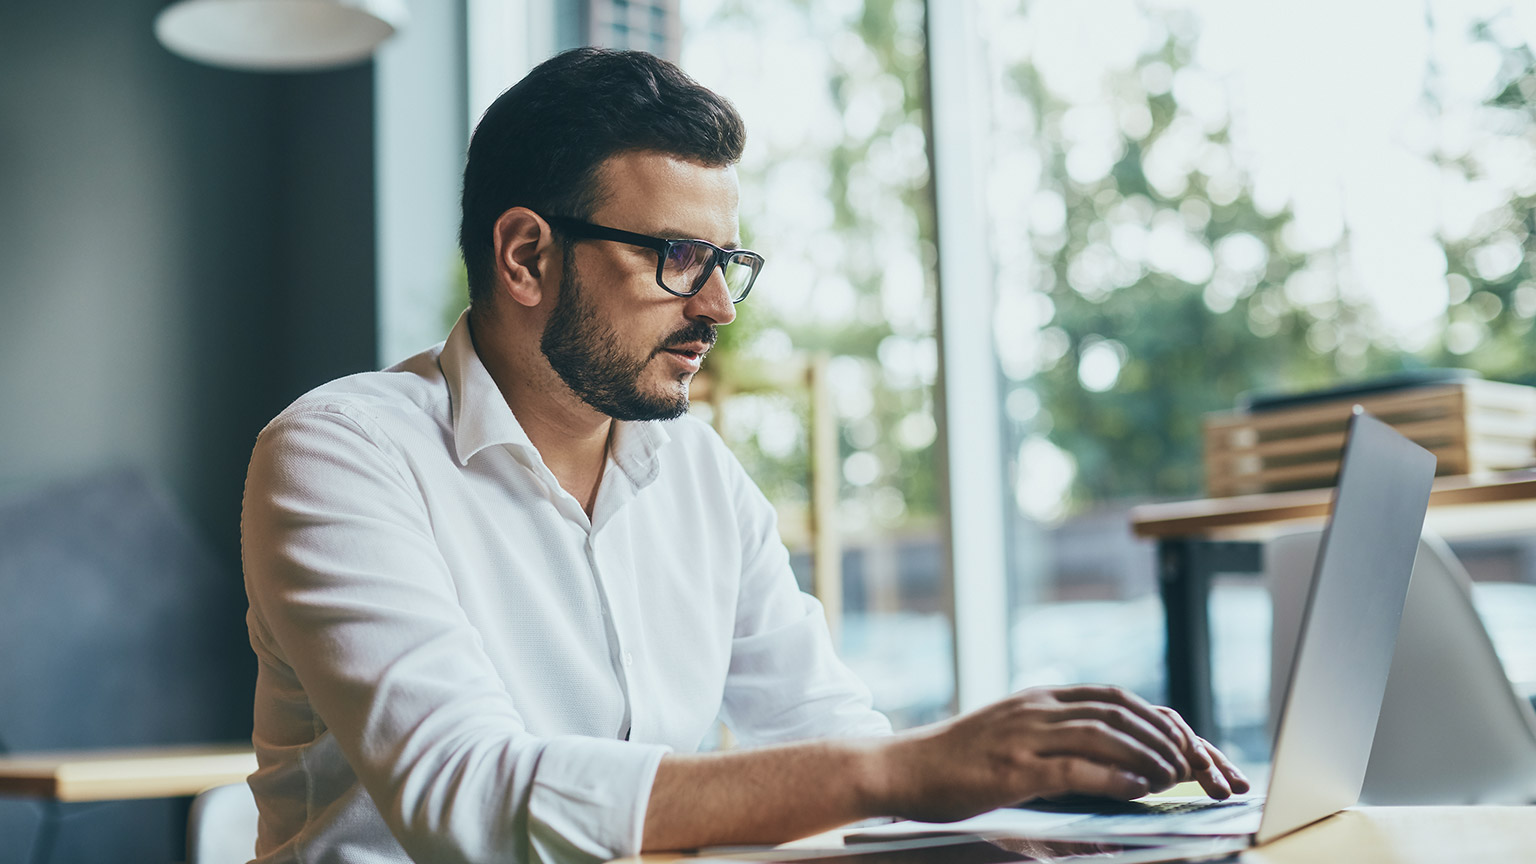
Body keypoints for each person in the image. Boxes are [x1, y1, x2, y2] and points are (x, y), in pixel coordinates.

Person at [240, 46, 1249, 864]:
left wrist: (1011, 792)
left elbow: (819, 729)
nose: (717, 306)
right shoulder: (339, 456)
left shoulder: (699, 477)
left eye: (726, 264)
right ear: (526, 256)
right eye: (677, 258)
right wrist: (909, 773)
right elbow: (467, 800)